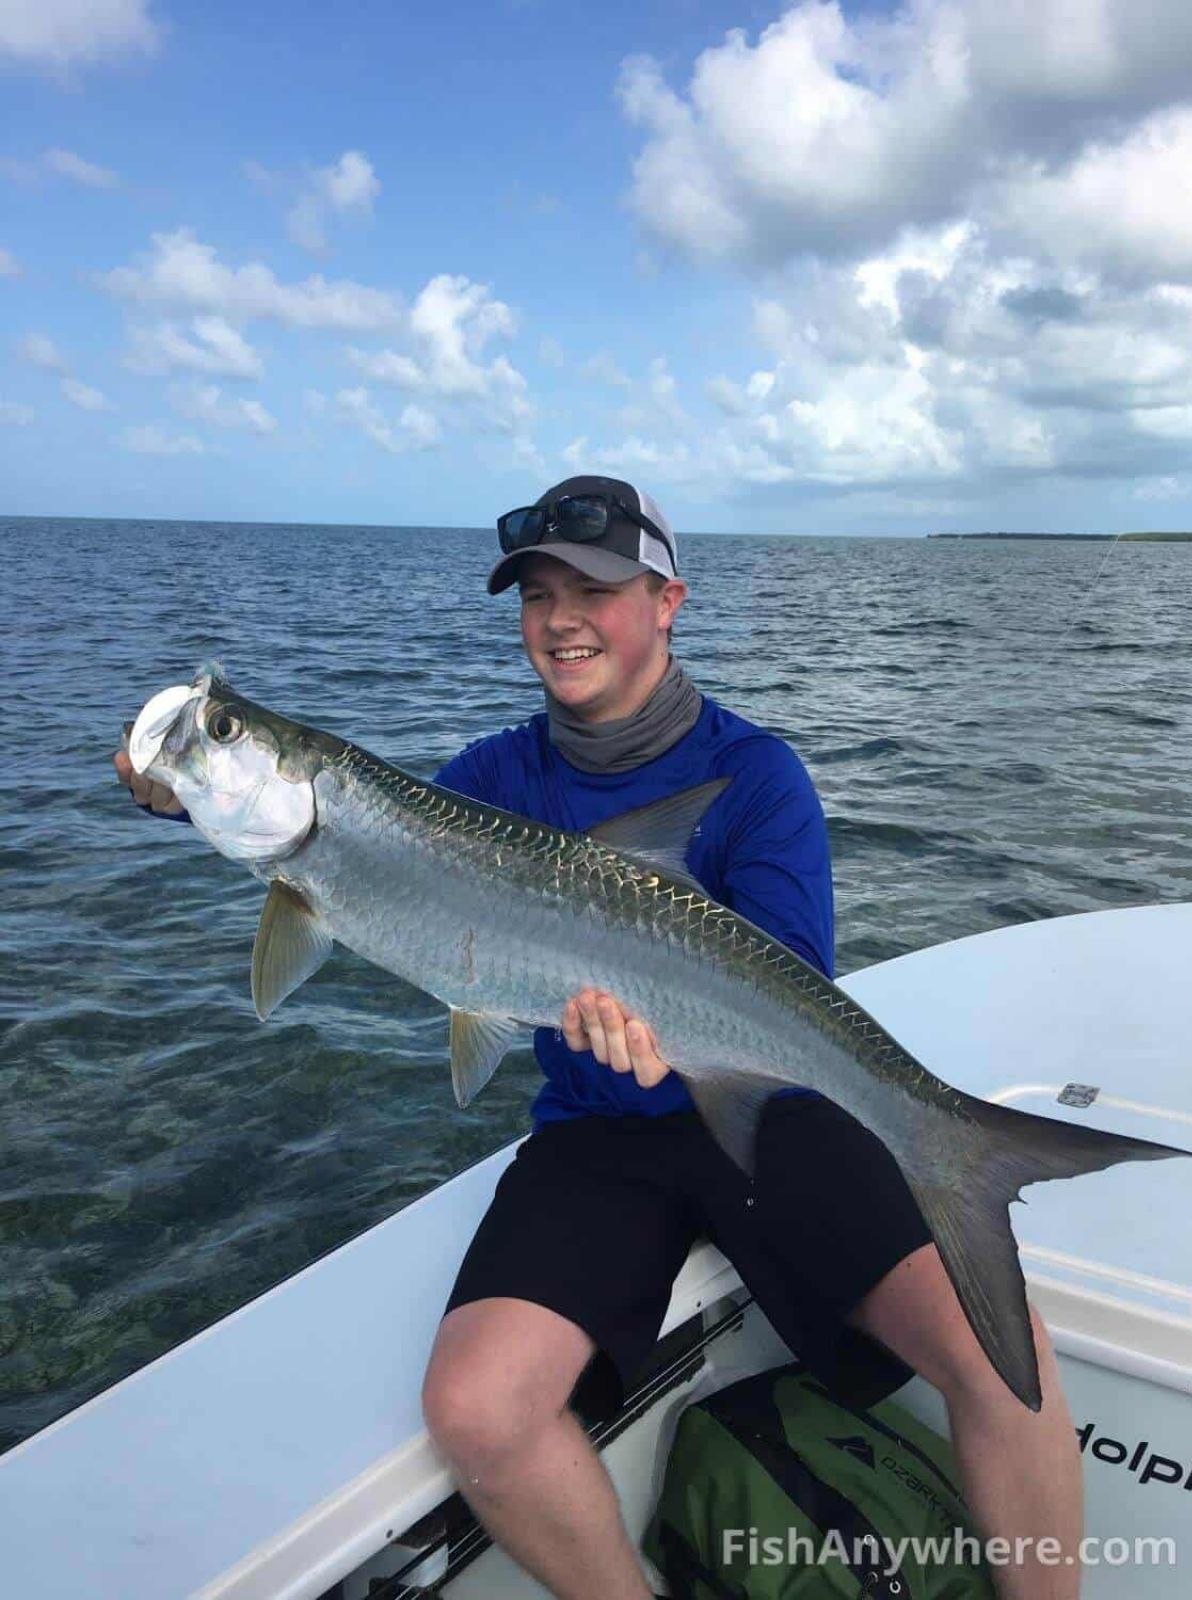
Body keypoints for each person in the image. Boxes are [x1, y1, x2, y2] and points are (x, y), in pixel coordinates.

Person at [115, 475, 1082, 1600]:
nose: (561, 617)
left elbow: (787, 978)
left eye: (597, 588)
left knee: (1004, 1363)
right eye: (537, 593)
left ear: (668, 600)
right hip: (595, 1130)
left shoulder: (756, 774)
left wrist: (685, 1034)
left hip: (775, 1104)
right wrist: (189, 785)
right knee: (477, 1408)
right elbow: (356, 869)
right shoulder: (485, 779)